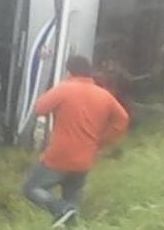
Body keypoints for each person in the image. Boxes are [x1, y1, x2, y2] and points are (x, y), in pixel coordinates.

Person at [23, 56, 130, 228]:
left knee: (31, 188)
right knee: (72, 202)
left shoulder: (65, 88)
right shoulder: (104, 95)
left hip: (60, 156)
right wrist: (102, 140)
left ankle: (60, 208)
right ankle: (69, 217)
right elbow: (123, 119)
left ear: (70, 71)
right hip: (85, 158)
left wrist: (61, 88)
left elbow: (40, 107)